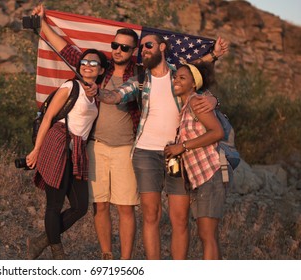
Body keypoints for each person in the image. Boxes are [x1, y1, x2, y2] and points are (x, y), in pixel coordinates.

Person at [92, 33, 228, 259]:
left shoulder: (179, 74)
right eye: (142, 48)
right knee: (151, 215)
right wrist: (98, 92)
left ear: (162, 47)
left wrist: (214, 97)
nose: (144, 50)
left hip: (177, 153)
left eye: (148, 45)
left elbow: (199, 76)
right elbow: (116, 95)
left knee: (180, 218)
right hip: (145, 153)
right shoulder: (141, 80)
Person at [32, 3, 141, 260]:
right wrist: (43, 23)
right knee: (98, 206)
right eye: (115, 45)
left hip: (125, 148)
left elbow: (173, 69)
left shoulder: (139, 75)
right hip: (95, 147)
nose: (118, 50)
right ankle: (106, 255)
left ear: (133, 51)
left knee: (126, 208)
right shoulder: (98, 69)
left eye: (124, 47)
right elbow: (67, 51)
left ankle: (125, 263)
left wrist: (210, 58)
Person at [25, 49, 107, 259]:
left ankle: (41, 241)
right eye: (84, 61)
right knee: (55, 203)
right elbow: (48, 118)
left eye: (93, 63)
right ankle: (57, 253)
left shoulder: (96, 96)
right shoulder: (70, 87)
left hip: (77, 151)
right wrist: (36, 150)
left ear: (101, 70)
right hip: (58, 143)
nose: (87, 65)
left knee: (80, 207)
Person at [164, 62, 226, 259]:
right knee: (207, 234)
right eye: (175, 77)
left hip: (211, 172)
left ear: (193, 84)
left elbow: (217, 132)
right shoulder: (185, 107)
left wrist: (182, 147)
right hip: (198, 177)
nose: (176, 80)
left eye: (182, 78)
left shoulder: (196, 102)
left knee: (207, 234)